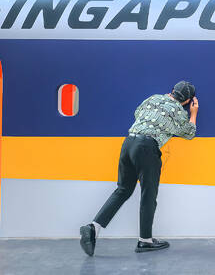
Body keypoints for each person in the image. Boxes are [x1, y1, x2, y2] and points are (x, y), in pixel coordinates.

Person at [80, 81, 199, 256]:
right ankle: (145, 241)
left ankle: (93, 228)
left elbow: (138, 113)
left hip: (128, 143)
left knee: (123, 190)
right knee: (148, 194)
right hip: (147, 148)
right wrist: (193, 113)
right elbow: (189, 133)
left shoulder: (153, 98)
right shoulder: (178, 111)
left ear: (171, 91)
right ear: (188, 101)